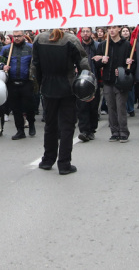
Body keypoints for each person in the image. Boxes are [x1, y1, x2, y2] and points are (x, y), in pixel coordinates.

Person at [32, 28, 89, 174]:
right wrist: (87, 88)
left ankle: (47, 160)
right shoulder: (71, 40)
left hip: (48, 87)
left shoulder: (39, 39)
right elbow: (83, 63)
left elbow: (35, 65)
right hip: (67, 88)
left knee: (50, 126)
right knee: (67, 127)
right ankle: (64, 164)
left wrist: (39, 84)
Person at [97, 25, 132, 142]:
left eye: (114, 28)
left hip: (121, 81)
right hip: (108, 81)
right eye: (109, 28)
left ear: (119, 30)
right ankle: (114, 131)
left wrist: (127, 66)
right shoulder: (103, 45)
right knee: (111, 107)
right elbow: (97, 64)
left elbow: (131, 64)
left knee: (120, 107)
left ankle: (123, 131)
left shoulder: (126, 45)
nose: (111, 30)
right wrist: (102, 61)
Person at [0, 30, 35, 139]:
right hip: (12, 82)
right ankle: (20, 130)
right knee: (16, 108)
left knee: (29, 106)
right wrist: (3, 66)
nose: (16, 38)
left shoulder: (30, 48)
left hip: (27, 82)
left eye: (19, 36)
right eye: (14, 36)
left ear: (23, 36)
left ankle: (31, 123)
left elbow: (36, 62)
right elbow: (0, 61)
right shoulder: (6, 49)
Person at [76, 27, 101, 142]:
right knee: (82, 107)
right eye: (83, 32)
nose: (85, 34)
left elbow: (102, 63)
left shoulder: (97, 46)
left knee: (93, 107)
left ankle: (92, 130)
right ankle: (84, 131)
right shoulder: (77, 47)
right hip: (81, 80)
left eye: (87, 31)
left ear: (91, 33)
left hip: (94, 80)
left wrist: (100, 60)